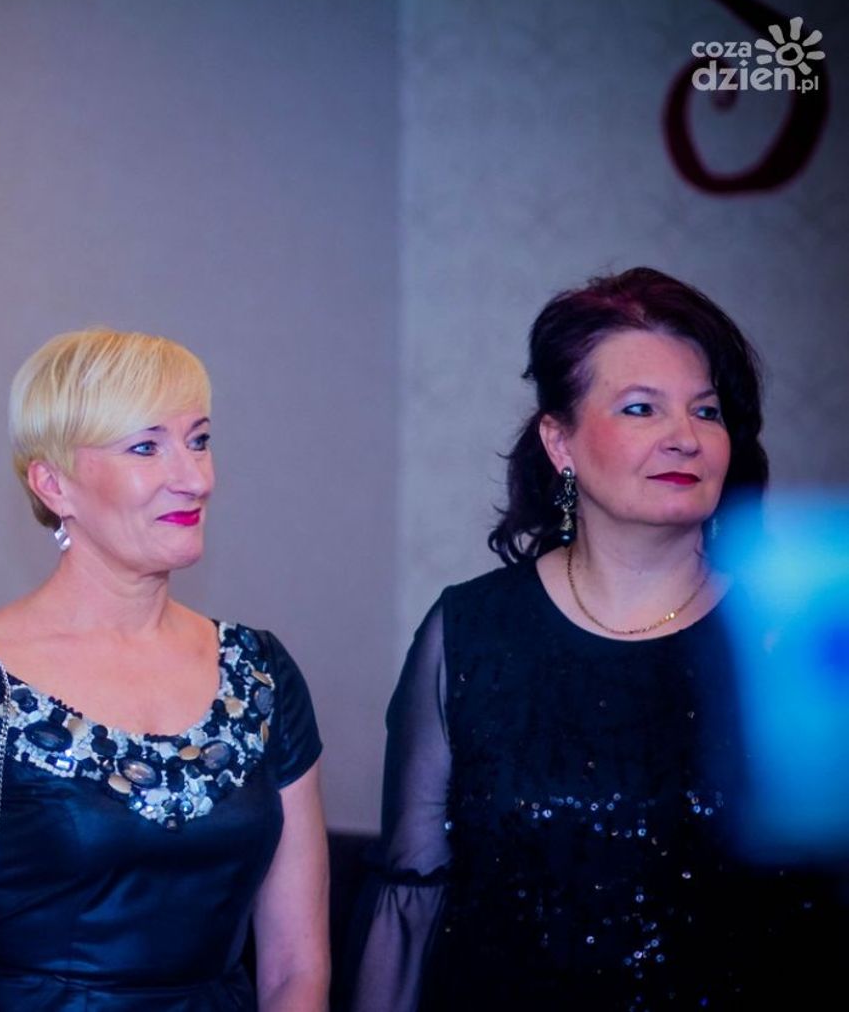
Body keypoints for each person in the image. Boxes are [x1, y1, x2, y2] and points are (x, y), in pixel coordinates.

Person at [347, 267, 837, 1010]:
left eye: (706, 412)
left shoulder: (781, 636)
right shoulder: (470, 632)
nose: (685, 438)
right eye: (642, 408)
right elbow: (411, 897)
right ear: (560, 441)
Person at [0, 328, 330, 1010]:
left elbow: (297, 968)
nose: (196, 478)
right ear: (53, 483)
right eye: (146, 447)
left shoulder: (259, 672)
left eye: (199, 440)